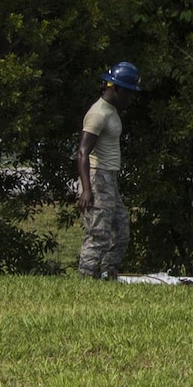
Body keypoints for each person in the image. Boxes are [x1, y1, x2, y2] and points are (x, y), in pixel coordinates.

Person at [77, 61, 142, 279]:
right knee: (99, 234)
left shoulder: (111, 111)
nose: (131, 98)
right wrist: (87, 190)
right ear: (116, 89)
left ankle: (107, 274)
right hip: (98, 176)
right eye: (129, 93)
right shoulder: (98, 114)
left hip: (110, 178)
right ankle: (85, 279)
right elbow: (83, 153)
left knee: (121, 231)